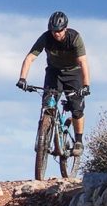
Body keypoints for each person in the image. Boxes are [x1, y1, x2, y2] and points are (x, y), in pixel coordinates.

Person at [17, 11, 91, 156]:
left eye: (59, 31)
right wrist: (22, 79)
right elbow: (30, 57)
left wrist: (86, 85)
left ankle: (78, 141)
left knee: (76, 109)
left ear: (65, 28)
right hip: (54, 73)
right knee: (47, 105)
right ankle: (43, 137)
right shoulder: (45, 38)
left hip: (73, 73)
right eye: (53, 31)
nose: (56, 34)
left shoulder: (74, 38)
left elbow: (83, 62)